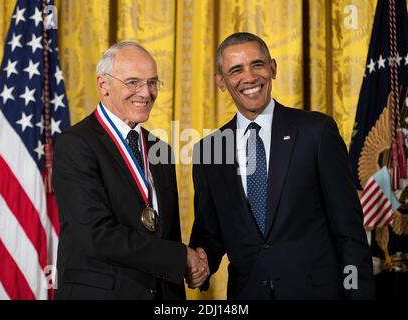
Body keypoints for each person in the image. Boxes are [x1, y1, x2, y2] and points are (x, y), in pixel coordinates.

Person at [188, 32, 375, 299]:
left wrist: (358, 295)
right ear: (221, 81)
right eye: (236, 70)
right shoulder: (209, 150)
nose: (250, 77)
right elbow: (210, 232)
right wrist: (201, 260)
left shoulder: (316, 132)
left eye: (258, 64)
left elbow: (349, 232)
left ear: (273, 68)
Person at [52, 41, 206, 300]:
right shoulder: (75, 144)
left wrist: (188, 268)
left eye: (153, 82)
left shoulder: (161, 150)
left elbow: (165, 233)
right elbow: (97, 235)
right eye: (133, 82)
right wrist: (181, 257)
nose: (146, 93)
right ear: (104, 85)